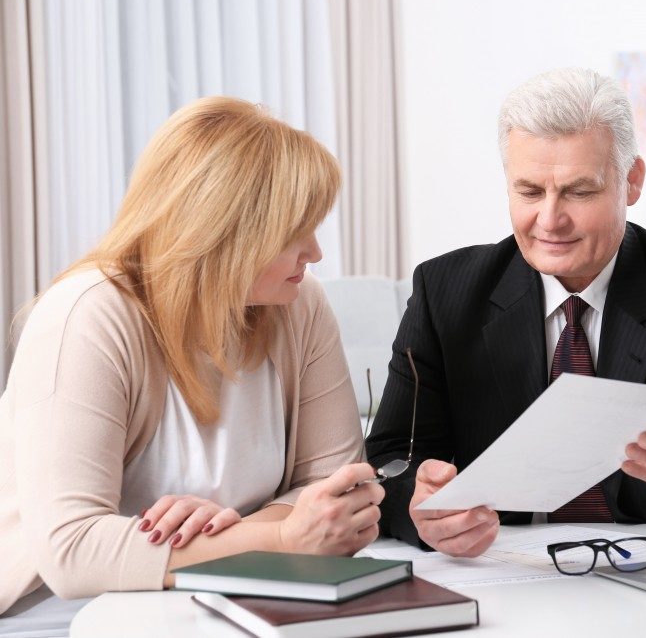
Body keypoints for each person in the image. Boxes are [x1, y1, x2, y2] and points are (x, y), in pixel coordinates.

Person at [0, 97, 384, 627]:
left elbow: (341, 492)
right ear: (226, 231)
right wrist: (274, 535)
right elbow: (72, 553)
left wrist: (228, 537)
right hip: (55, 615)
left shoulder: (300, 304)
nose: (315, 252)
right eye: (296, 230)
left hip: (219, 600)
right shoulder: (88, 315)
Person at [366, 67, 646, 556]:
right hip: (499, 572)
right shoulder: (445, 292)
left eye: (579, 191)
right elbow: (392, 459)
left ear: (632, 182)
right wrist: (417, 508)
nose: (549, 220)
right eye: (528, 191)